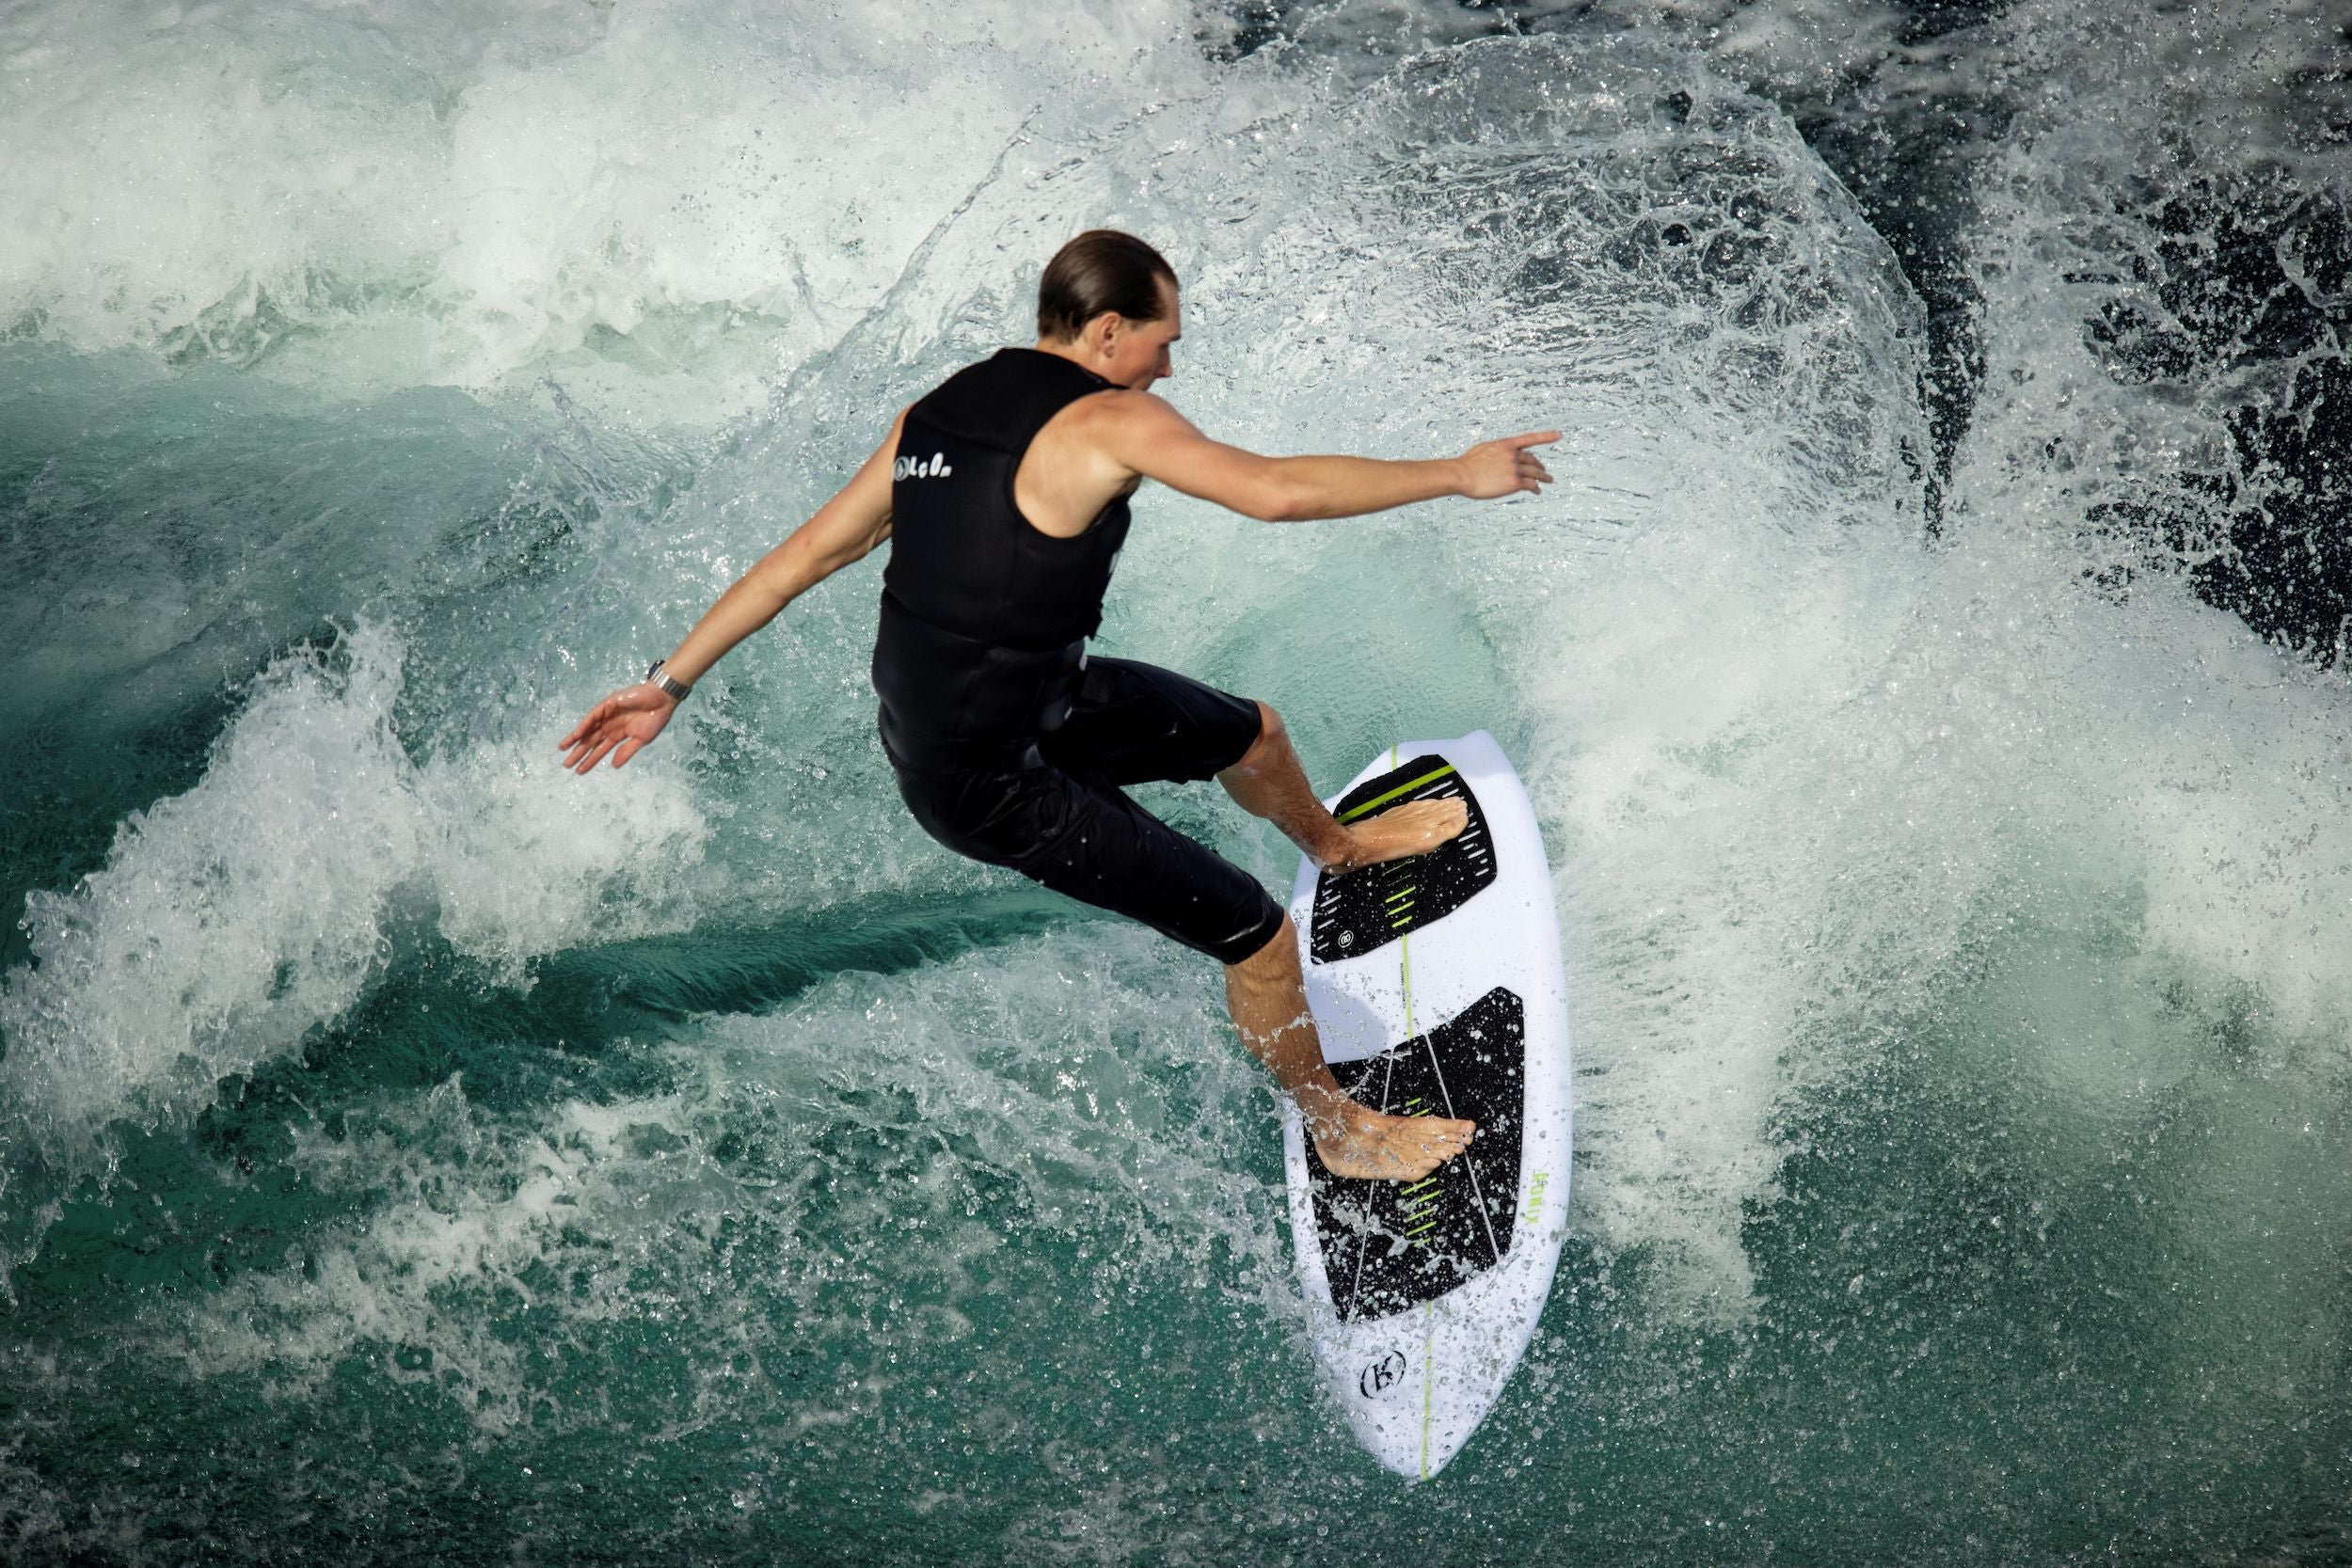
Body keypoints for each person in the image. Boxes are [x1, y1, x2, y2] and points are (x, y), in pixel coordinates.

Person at [561, 230, 1556, 1180]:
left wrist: (668, 680)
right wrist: (1456, 473)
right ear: (1107, 331)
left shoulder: (939, 412)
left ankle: (1335, 848)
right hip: (988, 781)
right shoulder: (1108, 418)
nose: (1167, 369)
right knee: (1255, 933)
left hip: (1024, 707)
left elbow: (807, 555)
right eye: (1162, 343)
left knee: (1254, 733)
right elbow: (1276, 492)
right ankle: (1335, 1123)